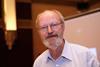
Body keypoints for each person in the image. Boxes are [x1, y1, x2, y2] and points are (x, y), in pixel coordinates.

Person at [33, 10, 100, 67]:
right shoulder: (38, 63)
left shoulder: (86, 56)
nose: (49, 31)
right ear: (39, 32)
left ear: (63, 27)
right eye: (44, 27)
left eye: (54, 25)